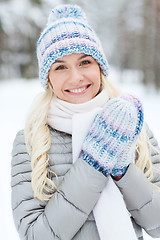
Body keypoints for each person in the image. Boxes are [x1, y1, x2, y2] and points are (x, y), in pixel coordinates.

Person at [11, 4, 160, 240]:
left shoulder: (130, 128)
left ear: (100, 67)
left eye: (85, 62)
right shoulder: (31, 141)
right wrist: (94, 163)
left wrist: (122, 169)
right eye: (60, 67)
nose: (76, 77)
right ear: (47, 78)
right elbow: (34, 235)